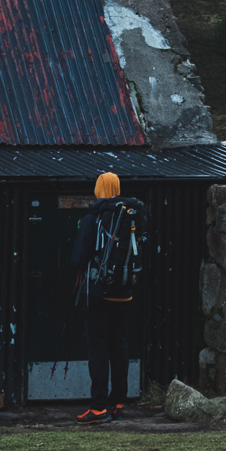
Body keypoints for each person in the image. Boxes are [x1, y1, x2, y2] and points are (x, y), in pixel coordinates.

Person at [71, 171, 143, 424]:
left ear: (99, 189)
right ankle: (118, 404)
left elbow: (78, 257)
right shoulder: (132, 215)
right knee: (120, 348)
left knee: (99, 349)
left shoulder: (95, 217)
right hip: (125, 294)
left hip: (99, 294)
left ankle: (98, 407)